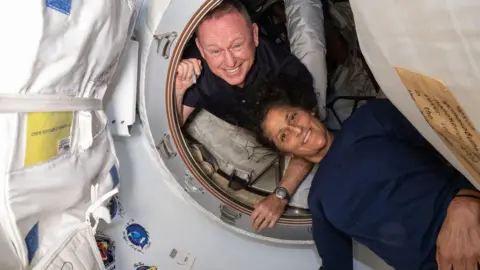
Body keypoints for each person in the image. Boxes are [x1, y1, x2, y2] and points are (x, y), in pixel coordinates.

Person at [249, 79, 480, 269]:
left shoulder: (370, 119)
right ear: (286, 152)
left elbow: (453, 142)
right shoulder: (318, 200)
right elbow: (335, 266)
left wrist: (466, 201)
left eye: (293, 117)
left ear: (308, 110)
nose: (298, 130)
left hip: (467, 223)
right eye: (284, 136)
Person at [174, 0, 317, 231]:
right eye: (216, 51)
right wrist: (179, 88)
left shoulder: (287, 72)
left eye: (237, 45)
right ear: (201, 49)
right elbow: (172, 126)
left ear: (255, 35)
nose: (229, 62)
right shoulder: (197, 71)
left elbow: (312, 140)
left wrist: (280, 195)